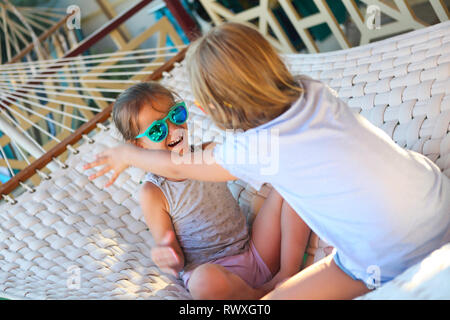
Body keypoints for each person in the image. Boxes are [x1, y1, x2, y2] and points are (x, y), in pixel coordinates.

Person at [84, 23, 450, 299]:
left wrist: (125, 154)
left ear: (213, 109)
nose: (177, 127)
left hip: (390, 253)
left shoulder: (251, 149)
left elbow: (180, 166)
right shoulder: (313, 90)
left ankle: (281, 282)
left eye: (182, 112)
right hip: (438, 199)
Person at [93, 81, 310, 299]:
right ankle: (260, 294)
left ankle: (287, 273)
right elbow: (171, 248)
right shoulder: (153, 192)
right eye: (158, 130)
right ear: (139, 147)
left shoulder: (208, 151)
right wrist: (168, 253)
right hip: (215, 274)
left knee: (290, 183)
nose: (174, 129)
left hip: (254, 251)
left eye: (176, 115)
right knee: (203, 281)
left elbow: (246, 159)